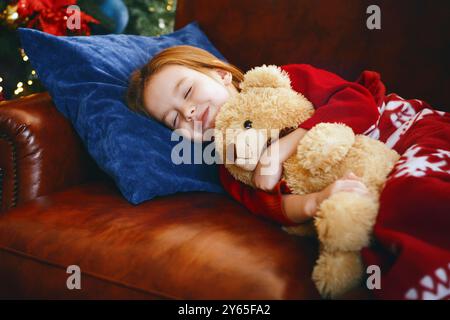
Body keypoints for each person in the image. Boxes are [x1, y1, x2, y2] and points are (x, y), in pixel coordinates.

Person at [126, 45, 379, 226]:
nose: (188, 111)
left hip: (391, 130)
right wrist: (315, 202)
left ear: (221, 74)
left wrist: (276, 153)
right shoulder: (230, 167)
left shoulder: (280, 82)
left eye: (188, 90)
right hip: (356, 181)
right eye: (174, 119)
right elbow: (270, 206)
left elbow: (357, 103)